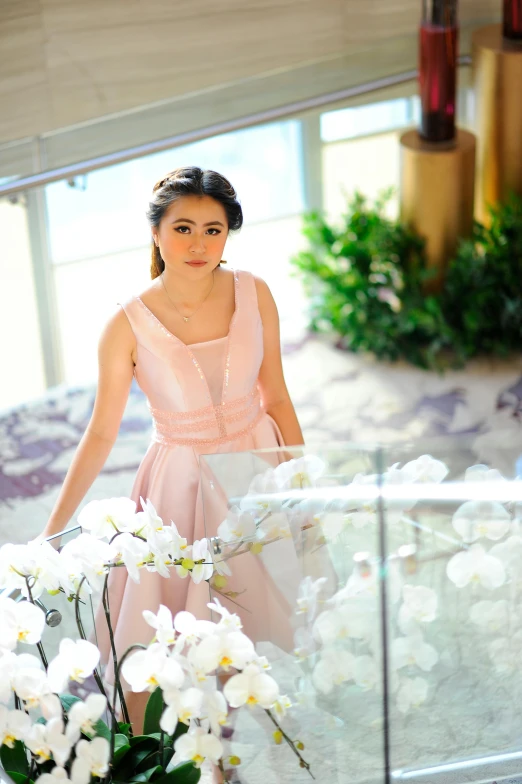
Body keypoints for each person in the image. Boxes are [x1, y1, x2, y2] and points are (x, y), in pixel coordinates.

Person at [37, 166, 304, 728]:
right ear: (156, 232)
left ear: (229, 234)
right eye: (183, 228)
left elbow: (276, 395)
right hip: (178, 481)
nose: (199, 244)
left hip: (256, 462)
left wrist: (303, 483)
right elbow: (102, 432)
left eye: (213, 229)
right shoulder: (125, 323)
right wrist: (51, 531)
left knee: (266, 608)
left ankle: (263, 715)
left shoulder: (255, 291)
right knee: (170, 628)